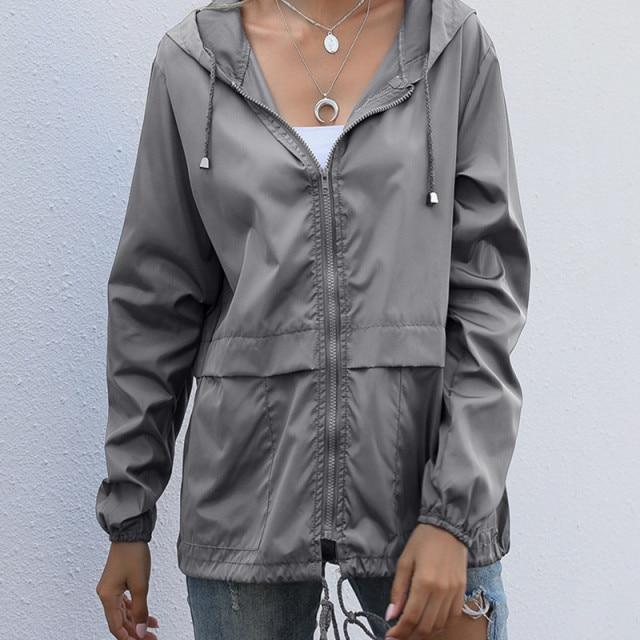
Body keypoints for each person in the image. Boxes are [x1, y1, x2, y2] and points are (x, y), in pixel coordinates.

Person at [94, 0, 530, 638]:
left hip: (423, 494)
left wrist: (453, 514)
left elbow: (487, 295)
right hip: (245, 504)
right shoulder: (193, 61)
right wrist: (129, 513)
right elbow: (154, 302)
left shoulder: (450, 45)